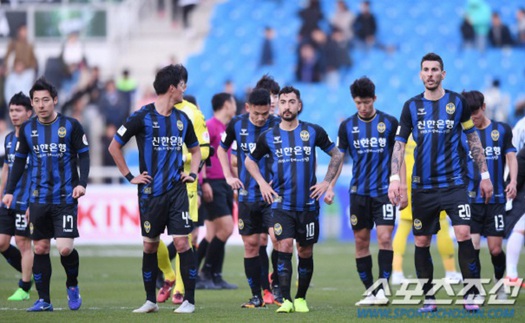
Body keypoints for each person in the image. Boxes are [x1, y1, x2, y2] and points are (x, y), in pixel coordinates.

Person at [388, 53, 492, 313]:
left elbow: (473, 140)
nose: (431, 74)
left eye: (435, 69)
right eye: (426, 69)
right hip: (422, 187)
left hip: (454, 184)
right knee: (422, 241)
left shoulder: (457, 103)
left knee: (463, 234)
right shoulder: (410, 106)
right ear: (421, 74)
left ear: (443, 74)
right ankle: (429, 298)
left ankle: (471, 294)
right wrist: (394, 179)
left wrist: (486, 176)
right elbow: (399, 144)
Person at [108, 64, 200, 314]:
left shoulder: (182, 120)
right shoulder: (141, 117)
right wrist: (130, 176)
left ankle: (189, 301)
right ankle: (150, 301)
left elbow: (195, 150)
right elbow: (114, 146)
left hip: (177, 191)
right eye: (182, 85)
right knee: (150, 245)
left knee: (183, 243)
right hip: (150, 194)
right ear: (172, 88)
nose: (184, 89)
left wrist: (192, 174)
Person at [245, 86, 343, 313]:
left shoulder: (313, 131)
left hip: (307, 205)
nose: (287, 107)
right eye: (283, 102)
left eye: (291, 102)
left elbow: (336, 154)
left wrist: (327, 183)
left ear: (299, 105)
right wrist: (261, 182)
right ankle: (287, 299)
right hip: (281, 204)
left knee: (305, 251)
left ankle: (300, 297)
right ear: (277, 106)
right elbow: (250, 161)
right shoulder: (268, 136)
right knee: (284, 246)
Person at [2, 77, 90, 312]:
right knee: (39, 248)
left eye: (45, 100)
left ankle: (72, 284)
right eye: (37, 101)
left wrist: (82, 183)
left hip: (65, 198)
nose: (41, 105)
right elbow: (18, 162)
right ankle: (44, 300)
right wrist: (9, 191)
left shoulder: (71, 125)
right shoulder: (28, 130)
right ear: (33, 103)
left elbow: (84, 155)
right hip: (38, 198)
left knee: (64, 249)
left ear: (55, 100)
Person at [328, 77, 402, 306]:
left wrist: (399, 182)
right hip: (358, 192)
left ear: (375, 99)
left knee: (384, 238)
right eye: (359, 103)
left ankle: (382, 288)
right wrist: (330, 185)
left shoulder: (389, 123)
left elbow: (399, 155)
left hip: (383, 192)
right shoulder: (347, 126)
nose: (363, 107)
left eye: (367, 102)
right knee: (361, 242)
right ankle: (371, 290)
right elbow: (338, 158)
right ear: (354, 101)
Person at [218, 88, 280, 308]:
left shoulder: (278, 124)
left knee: (279, 241)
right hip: (247, 195)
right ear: (248, 108)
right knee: (251, 245)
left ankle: (279, 292)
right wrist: (228, 176)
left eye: (265, 114)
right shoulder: (237, 124)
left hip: (274, 196)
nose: (261, 118)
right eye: (257, 114)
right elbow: (221, 149)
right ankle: (257, 295)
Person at [461, 90, 517, 300]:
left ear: (483, 108)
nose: (472, 117)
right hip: (471, 200)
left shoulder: (501, 130)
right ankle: (474, 290)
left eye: (475, 112)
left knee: (495, 249)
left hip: (496, 200)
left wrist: (512, 181)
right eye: (468, 114)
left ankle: (499, 282)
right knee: (472, 246)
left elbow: (511, 157)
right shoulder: (462, 134)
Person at [156, 95, 210, 305]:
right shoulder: (152, 112)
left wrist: (182, 158)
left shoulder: (193, 113)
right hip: (157, 183)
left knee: (184, 237)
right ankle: (168, 274)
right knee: (151, 238)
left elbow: (204, 150)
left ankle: (179, 288)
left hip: (186, 183)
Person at [392, 136, 463, 286]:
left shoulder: (407, 134)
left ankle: (397, 272)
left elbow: (398, 156)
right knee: (442, 224)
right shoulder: (429, 130)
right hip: (428, 182)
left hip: (410, 182)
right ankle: (450, 272)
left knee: (404, 226)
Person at [197, 92, 237, 290]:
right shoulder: (210, 126)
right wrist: (203, 182)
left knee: (213, 234)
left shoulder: (227, 128)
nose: (235, 105)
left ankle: (214, 275)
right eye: (233, 102)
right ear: (226, 104)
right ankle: (204, 271)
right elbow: (202, 156)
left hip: (225, 182)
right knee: (227, 228)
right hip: (212, 182)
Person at [0, 92, 33, 301]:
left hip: (25, 200)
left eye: (18, 110)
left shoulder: (34, 139)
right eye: (12, 110)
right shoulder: (9, 138)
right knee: (2, 243)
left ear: (28, 113)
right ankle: (30, 268)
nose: (14, 114)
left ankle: (25, 286)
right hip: (8, 200)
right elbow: (6, 168)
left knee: (23, 242)